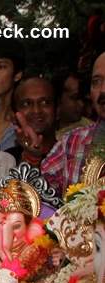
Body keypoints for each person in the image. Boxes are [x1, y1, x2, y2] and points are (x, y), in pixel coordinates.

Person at [42, 52, 105, 197]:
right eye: (96, 81)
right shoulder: (72, 142)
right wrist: (31, 156)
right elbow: (37, 197)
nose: (102, 90)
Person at [6, 76, 57, 167]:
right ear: (14, 115)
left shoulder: (71, 155)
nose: (36, 110)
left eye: (44, 102)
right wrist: (31, 157)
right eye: (26, 104)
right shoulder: (6, 160)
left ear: (58, 109)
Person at [53, 71, 93, 139]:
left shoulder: (91, 132)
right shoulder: (45, 127)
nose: (81, 104)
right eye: (74, 98)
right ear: (58, 100)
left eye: (81, 98)